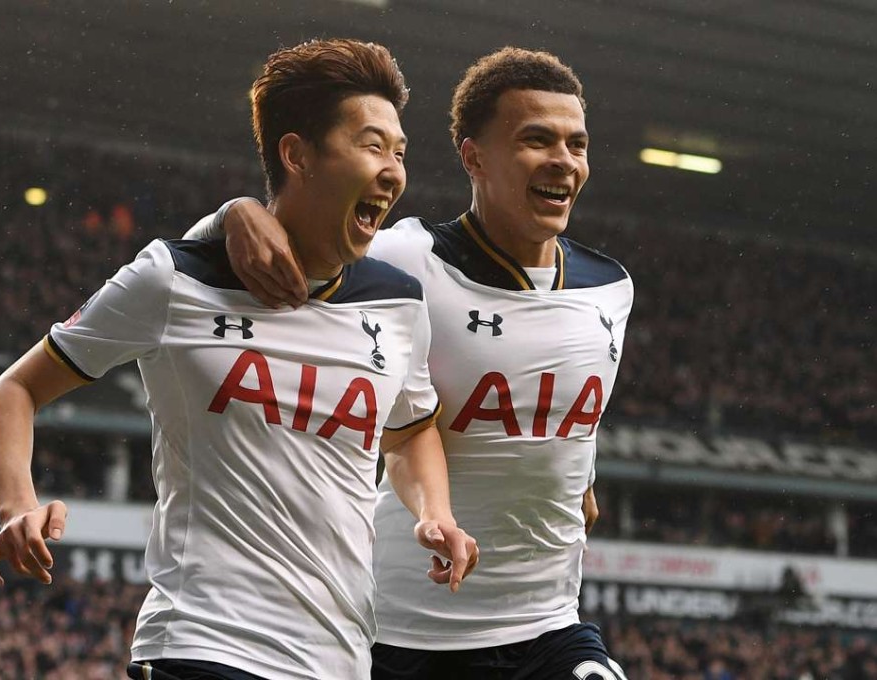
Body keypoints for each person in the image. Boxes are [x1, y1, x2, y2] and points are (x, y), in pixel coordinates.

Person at [0, 38, 478, 680]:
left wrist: (435, 513)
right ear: (297, 155)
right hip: (203, 644)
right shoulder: (174, 278)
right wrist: (17, 505)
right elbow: (11, 393)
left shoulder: (399, 302)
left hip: (341, 657)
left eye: (400, 153)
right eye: (373, 146)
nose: (394, 172)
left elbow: (410, 434)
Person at [187, 47, 632, 679]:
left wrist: (579, 479)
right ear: (472, 154)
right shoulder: (403, 259)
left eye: (577, 144)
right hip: (403, 633)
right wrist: (235, 214)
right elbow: (215, 254)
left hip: (548, 626)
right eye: (537, 140)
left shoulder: (611, 288)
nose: (563, 160)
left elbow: (566, 417)